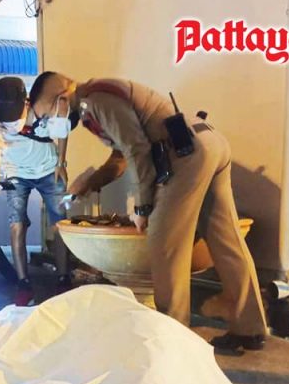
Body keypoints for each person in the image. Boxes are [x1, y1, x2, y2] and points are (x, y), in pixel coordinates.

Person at [30, 72, 268, 351]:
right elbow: (121, 158)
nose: (49, 123)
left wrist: (143, 207)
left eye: (46, 117)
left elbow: (137, 150)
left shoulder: (95, 101)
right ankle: (249, 327)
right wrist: (89, 184)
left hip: (186, 154)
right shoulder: (96, 99)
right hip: (209, 143)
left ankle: (173, 340)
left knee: (165, 245)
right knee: (226, 238)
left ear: (61, 99)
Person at [0, 76, 72, 306]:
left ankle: (64, 277)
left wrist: (61, 163)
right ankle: (23, 284)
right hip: (16, 173)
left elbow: (62, 128)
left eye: (14, 116)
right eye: (6, 117)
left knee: (61, 223)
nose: (10, 123)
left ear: (26, 102)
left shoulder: (41, 109)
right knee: (16, 224)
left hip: (48, 169)